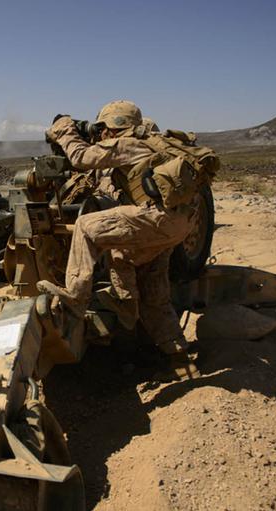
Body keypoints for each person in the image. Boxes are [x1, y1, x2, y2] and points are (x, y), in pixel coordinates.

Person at [36, 101, 199, 375]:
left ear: (115, 126)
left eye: (102, 128)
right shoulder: (154, 143)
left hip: (157, 221)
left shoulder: (127, 144)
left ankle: (75, 298)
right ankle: (180, 359)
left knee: (87, 226)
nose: (100, 133)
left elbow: (80, 158)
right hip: (176, 227)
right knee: (148, 287)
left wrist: (65, 130)